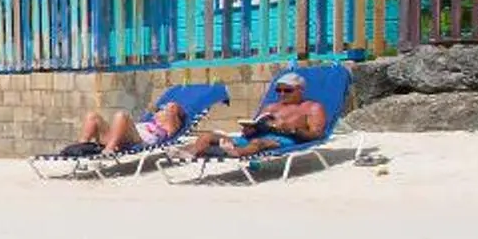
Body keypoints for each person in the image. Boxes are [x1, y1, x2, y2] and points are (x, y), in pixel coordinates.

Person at [192, 70, 328, 161]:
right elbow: (254, 127)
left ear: (300, 90)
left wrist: (291, 129)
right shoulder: (271, 107)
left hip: (283, 140)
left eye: (287, 90)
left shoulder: (312, 107)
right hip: (254, 138)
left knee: (258, 142)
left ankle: (233, 153)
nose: (281, 94)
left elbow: (317, 135)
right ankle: (190, 153)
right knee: (207, 136)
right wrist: (249, 129)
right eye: (278, 90)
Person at [68, 92, 188, 157]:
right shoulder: (152, 121)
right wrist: (159, 110)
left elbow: (174, 113)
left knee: (121, 116)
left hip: (137, 140)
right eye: (162, 108)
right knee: (92, 117)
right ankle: (80, 148)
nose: (163, 109)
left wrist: (172, 108)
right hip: (120, 137)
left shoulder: (169, 128)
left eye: (166, 109)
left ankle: (108, 151)